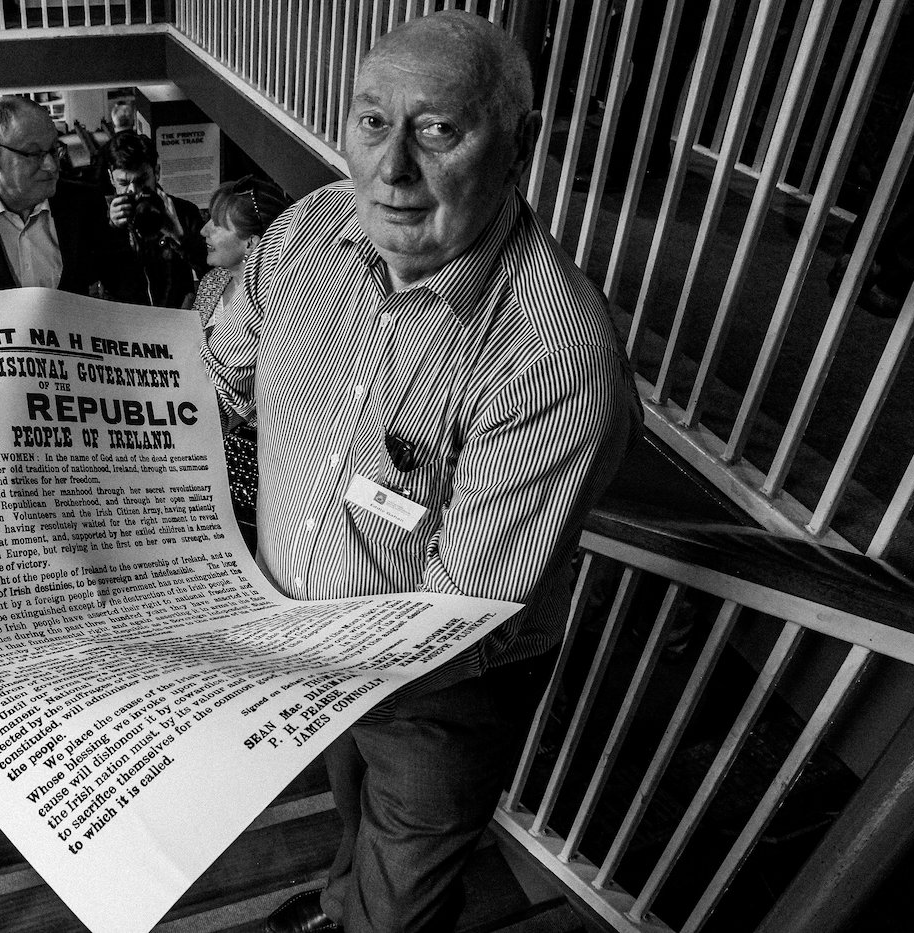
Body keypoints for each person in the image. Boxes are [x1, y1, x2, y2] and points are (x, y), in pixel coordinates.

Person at [202, 12, 641, 933]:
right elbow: (222, 367)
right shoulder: (308, 229)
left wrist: (254, 672)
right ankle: (338, 900)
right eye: (372, 122)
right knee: (350, 808)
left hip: (443, 691)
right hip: (306, 644)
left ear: (520, 143)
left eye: (438, 129)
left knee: (402, 896)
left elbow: (450, 620)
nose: (391, 168)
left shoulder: (553, 355)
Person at [0, 96, 141, 311]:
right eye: (34, 154)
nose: (51, 166)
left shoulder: (84, 202)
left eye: (54, 150)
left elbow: (126, 288)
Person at [103, 131, 208, 308]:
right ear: (111, 178)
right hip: (126, 318)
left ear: (156, 172)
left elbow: (211, 273)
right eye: (123, 183)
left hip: (176, 314)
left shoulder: (184, 212)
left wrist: (180, 237)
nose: (133, 190)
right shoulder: (101, 218)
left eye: (142, 180)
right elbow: (98, 277)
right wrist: (113, 230)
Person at [193, 175, 292, 333]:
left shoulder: (279, 298)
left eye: (217, 224)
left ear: (250, 244)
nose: (203, 231)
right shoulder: (212, 280)